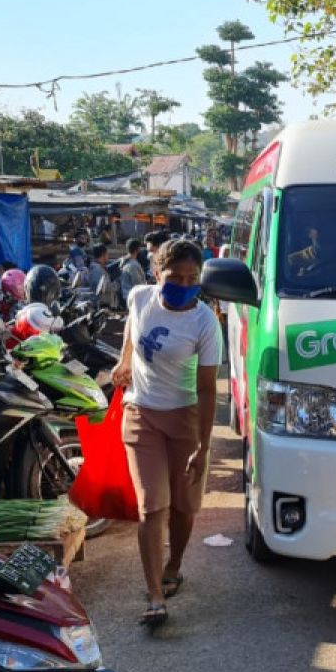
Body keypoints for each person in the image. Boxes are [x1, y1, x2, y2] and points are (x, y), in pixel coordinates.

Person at [112, 239, 222, 627]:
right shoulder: (141, 297)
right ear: (157, 274)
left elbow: (209, 388)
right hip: (141, 413)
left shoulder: (205, 322)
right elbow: (131, 324)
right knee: (152, 505)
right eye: (176, 277)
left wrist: (204, 447)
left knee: (183, 505)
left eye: (193, 278)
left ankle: (174, 564)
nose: (185, 285)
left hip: (186, 418)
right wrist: (125, 360)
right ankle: (155, 595)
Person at [121, 238, 148, 303]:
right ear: (137, 249)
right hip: (133, 298)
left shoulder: (127, 261)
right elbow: (138, 284)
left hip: (130, 296)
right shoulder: (132, 265)